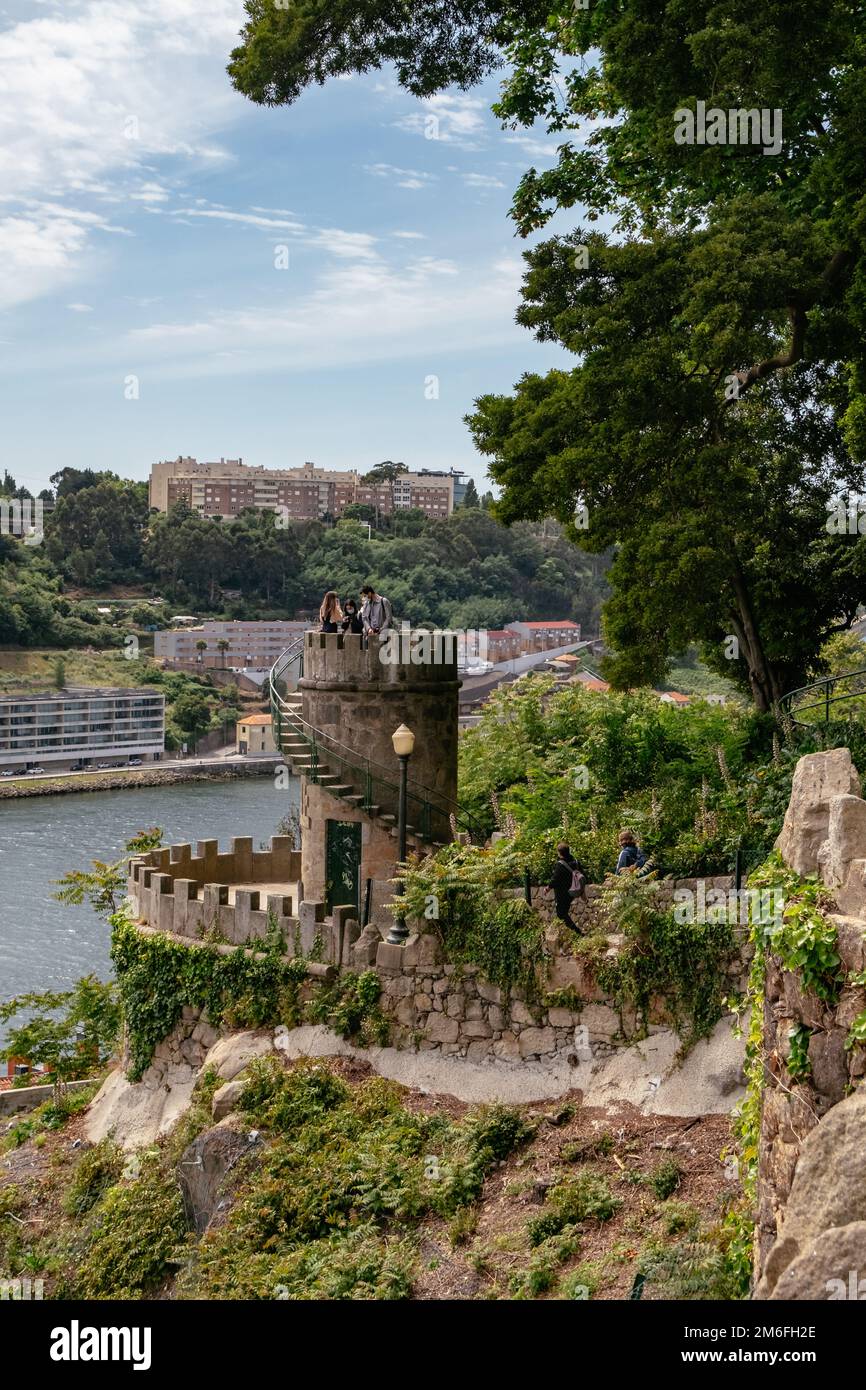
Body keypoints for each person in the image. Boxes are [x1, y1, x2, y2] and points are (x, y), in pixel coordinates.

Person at [548, 842, 586, 934]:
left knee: (561, 914)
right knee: (564, 912)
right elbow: (582, 874)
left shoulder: (560, 864)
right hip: (573, 892)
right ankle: (570, 932)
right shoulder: (576, 862)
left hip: (563, 894)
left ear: (559, 853)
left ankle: (577, 933)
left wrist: (548, 887)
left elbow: (555, 880)